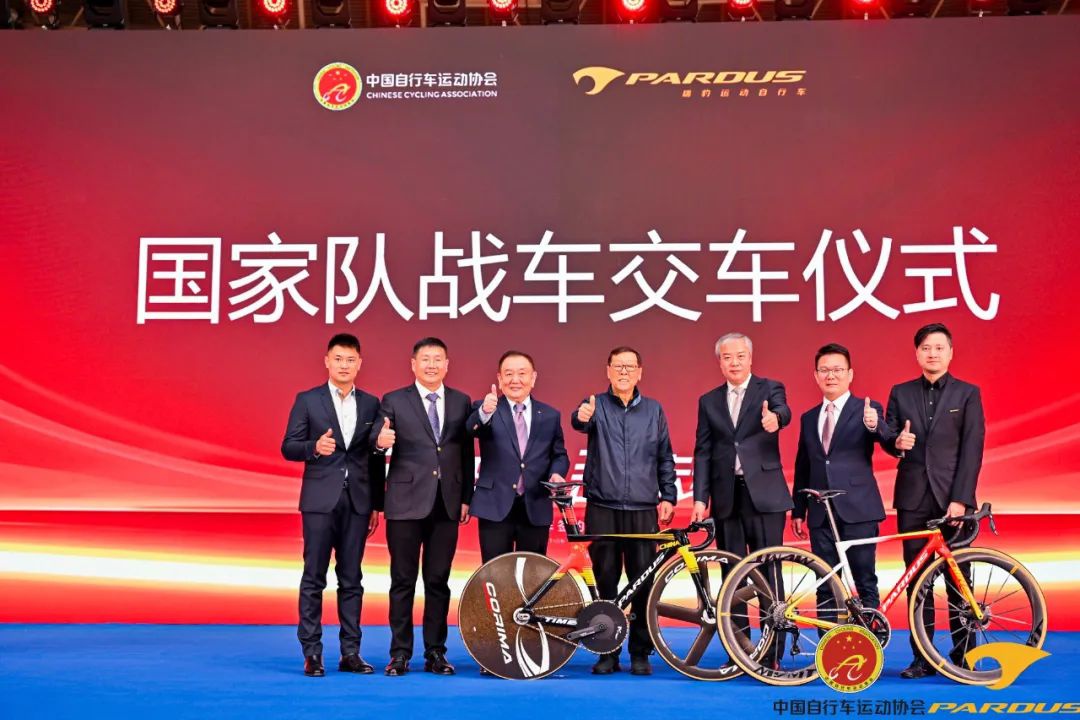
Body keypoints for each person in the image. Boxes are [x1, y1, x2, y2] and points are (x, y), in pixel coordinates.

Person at [883, 322, 985, 679]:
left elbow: (972, 450)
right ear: (917, 353)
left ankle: (965, 656)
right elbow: (889, 435)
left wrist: (961, 500)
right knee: (917, 583)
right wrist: (896, 443)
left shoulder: (967, 394)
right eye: (926, 348)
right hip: (912, 499)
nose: (932, 354)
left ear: (950, 353)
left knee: (960, 581)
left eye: (939, 348)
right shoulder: (900, 392)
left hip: (952, 502)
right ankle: (922, 658)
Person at [280, 333, 386, 677]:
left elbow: (374, 458)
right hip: (319, 501)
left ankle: (350, 652)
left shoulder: (370, 403)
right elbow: (288, 446)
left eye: (350, 360)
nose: (344, 365)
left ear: (360, 364)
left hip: (358, 502)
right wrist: (313, 447)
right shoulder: (308, 400)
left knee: (352, 578)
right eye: (338, 359)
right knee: (314, 577)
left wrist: (376, 504)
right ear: (327, 361)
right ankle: (312, 652)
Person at [571, 346, 677, 677]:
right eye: (618, 366)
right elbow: (579, 421)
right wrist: (581, 416)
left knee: (643, 581)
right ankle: (607, 651)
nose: (624, 372)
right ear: (608, 370)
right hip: (602, 506)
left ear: (640, 372)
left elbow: (665, 456)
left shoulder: (654, 410)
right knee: (605, 580)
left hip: (643, 507)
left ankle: (640, 652)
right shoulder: (595, 405)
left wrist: (669, 495)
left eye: (630, 366)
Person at [375, 337, 474, 677]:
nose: (431, 365)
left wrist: (466, 497)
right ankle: (400, 653)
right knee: (402, 581)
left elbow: (466, 453)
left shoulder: (461, 402)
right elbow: (378, 438)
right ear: (413, 364)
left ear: (447, 364)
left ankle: (435, 653)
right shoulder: (394, 400)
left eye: (437, 359)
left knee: (438, 581)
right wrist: (379, 442)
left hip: (446, 503)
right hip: (405, 504)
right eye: (425, 359)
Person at [791, 343, 888, 622]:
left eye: (837, 370)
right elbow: (804, 465)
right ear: (816, 375)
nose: (830, 375)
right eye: (824, 370)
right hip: (820, 512)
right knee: (825, 584)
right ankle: (828, 644)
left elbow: (887, 438)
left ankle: (869, 641)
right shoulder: (809, 417)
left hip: (858, 509)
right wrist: (799, 510)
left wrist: (875, 425)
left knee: (864, 581)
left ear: (850, 374)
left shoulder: (867, 409)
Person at [467, 350, 570, 562]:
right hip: (494, 505)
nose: (515, 380)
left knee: (533, 573)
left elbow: (559, 455)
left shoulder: (549, 415)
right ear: (499, 378)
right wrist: (485, 412)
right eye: (508, 374)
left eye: (522, 373)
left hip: (535, 503)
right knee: (495, 572)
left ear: (533, 378)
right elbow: (471, 428)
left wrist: (557, 473)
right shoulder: (486, 408)